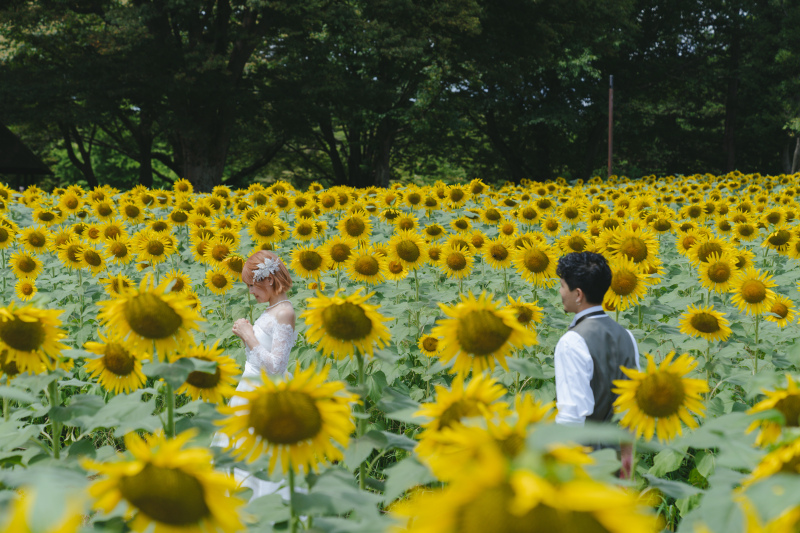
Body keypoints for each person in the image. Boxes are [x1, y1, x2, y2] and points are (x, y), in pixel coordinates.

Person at [213, 250, 298, 499]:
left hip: (264, 393)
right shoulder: (272, 310)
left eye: (252, 285)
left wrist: (248, 335)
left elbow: (276, 367)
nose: (251, 291)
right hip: (249, 388)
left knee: (258, 454)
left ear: (269, 280)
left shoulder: (285, 312)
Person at [554, 251, 639, 477]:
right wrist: (626, 469)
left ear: (578, 294)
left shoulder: (572, 342)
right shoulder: (627, 336)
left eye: (563, 286)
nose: (560, 293)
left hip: (585, 466)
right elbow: (630, 412)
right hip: (616, 462)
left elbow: (572, 417)